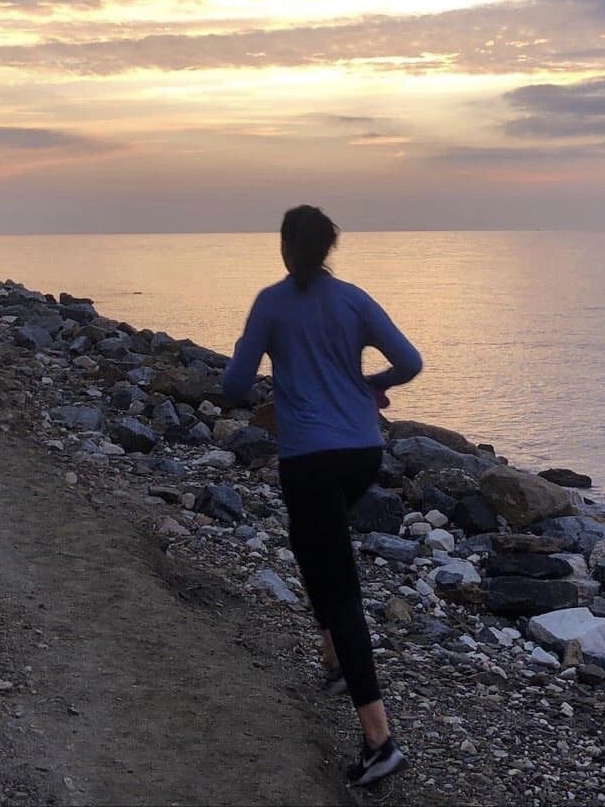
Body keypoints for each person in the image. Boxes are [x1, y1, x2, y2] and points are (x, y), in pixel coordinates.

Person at [220, 205, 424, 787]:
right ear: (329, 248)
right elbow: (410, 363)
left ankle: (380, 741)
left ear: (285, 247)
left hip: (309, 459)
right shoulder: (353, 300)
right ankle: (334, 659)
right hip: (362, 454)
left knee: (339, 588)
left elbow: (234, 386)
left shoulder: (271, 304)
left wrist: (266, 368)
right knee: (309, 544)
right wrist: (368, 385)